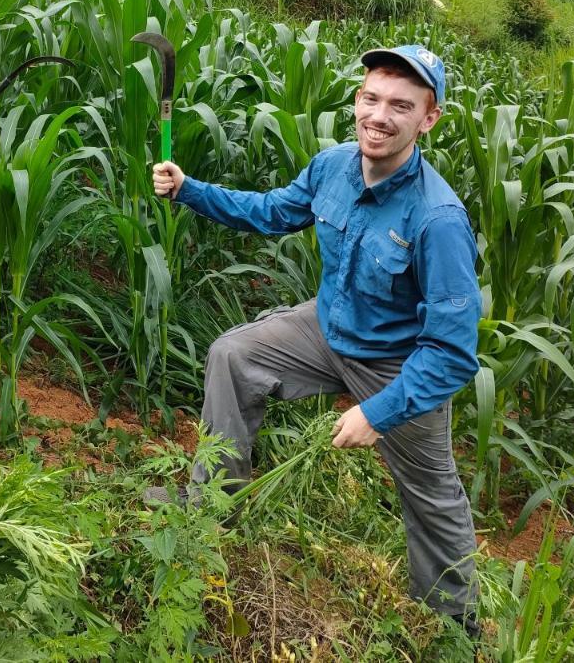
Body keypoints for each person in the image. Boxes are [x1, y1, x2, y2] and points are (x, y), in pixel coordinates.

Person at [148, 45, 481, 630]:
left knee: (433, 497)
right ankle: (209, 508)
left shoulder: (437, 219)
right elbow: (273, 211)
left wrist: (376, 414)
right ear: (357, 100)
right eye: (370, 98)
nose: (379, 116)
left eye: (400, 106)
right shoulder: (333, 166)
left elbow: (452, 353)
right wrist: (190, 189)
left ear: (428, 119)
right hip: (328, 328)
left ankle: (453, 626)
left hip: (398, 365)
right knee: (233, 354)